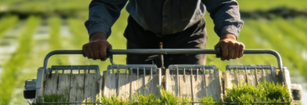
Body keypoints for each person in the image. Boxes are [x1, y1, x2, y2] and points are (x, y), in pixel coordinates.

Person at [83, 0, 245, 67]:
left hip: (189, 33)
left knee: (190, 93)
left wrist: (228, 36)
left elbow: (223, 3)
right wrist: (97, 36)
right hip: (142, 33)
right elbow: (105, 3)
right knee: (138, 95)